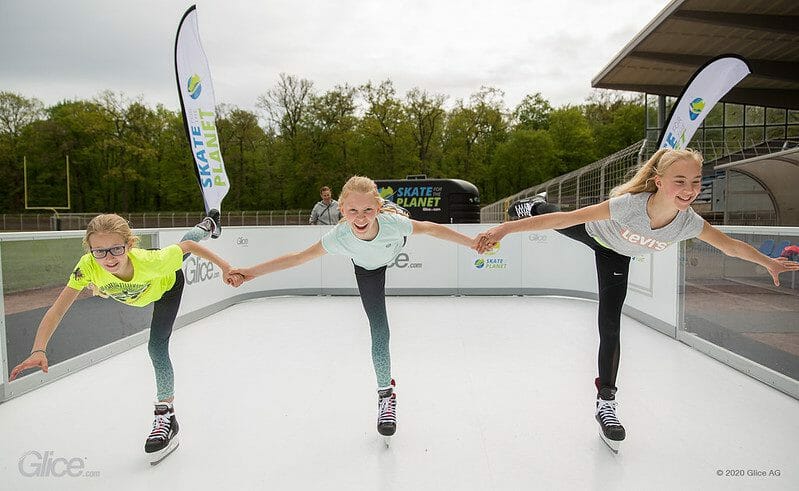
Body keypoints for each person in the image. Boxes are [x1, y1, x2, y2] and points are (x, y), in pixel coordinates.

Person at [475, 148, 799, 453]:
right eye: (680, 182)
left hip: (618, 257)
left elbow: (729, 246)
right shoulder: (629, 205)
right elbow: (565, 219)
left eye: (696, 182)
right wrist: (506, 228)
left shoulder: (689, 223)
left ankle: (606, 403)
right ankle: (533, 204)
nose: (689, 190)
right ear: (659, 182)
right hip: (595, 233)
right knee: (556, 216)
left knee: (610, 323)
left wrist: (767, 262)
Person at [232, 175, 475, 439]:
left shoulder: (392, 225)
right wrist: (251, 273)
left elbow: (430, 228)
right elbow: (299, 257)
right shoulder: (340, 236)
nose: (360, 218)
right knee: (379, 330)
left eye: (368, 209)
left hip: (394, 239)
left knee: (401, 223)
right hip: (368, 270)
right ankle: (386, 395)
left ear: (377, 208)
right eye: (353, 211)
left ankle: (394, 207)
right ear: (341, 210)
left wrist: (472, 243)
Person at [9, 213, 241, 464]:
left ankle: (166, 416)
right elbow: (57, 309)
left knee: (156, 347)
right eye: (99, 251)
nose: (108, 259)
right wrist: (38, 349)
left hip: (166, 287)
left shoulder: (150, 261)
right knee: (177, 253)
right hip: (147, 282)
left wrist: (225, 266)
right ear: (90, 250)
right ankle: (207, 224)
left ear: (129, 245)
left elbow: (189, 246)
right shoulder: (87, 266)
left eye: (116, 249)